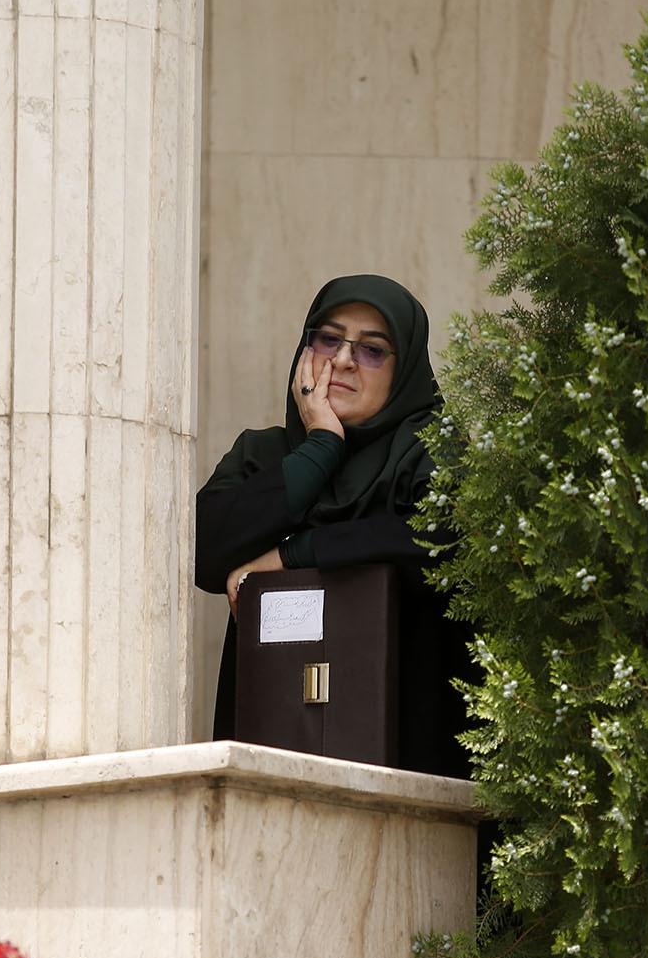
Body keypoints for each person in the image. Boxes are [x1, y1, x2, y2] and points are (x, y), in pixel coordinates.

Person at [194, 273, 471, 779]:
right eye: (328, 339)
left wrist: (293, 554)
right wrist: (320, 447)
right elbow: (203, 551)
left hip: (412, 765)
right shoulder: (264, 455)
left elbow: (440, 538)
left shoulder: (431, 450)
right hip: (269, 753)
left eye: (372, 349)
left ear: (404, 368)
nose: (343, 360)